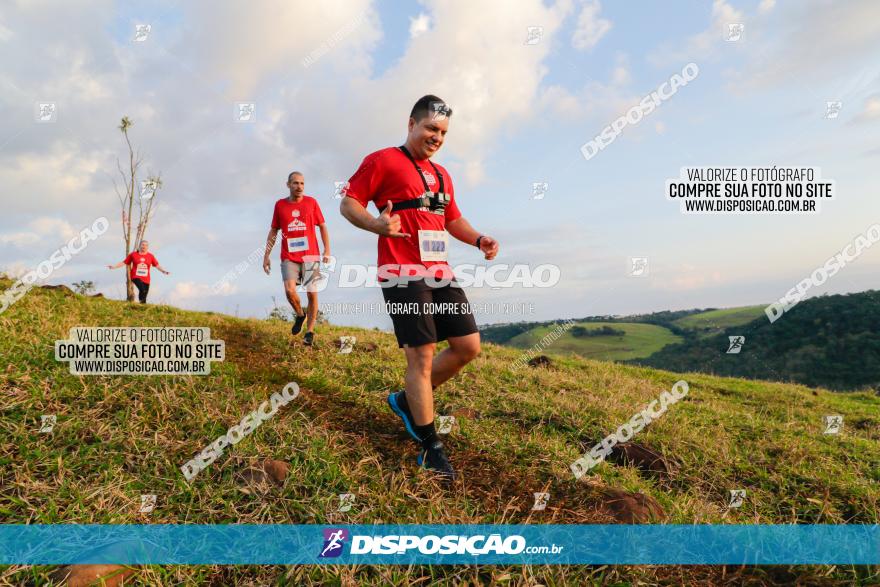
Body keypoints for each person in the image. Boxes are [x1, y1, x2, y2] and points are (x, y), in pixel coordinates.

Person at [340, 94, 499, 481]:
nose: (436, 137)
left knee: (467, 346)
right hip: (401, 273)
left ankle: (405, 402)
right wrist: (376, 225)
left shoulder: (444, 174)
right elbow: (349, 204)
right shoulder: (381, 160)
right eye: (430, 128)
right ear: (411, 124)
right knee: (422, 357)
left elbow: (452, 219)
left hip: (440, 273)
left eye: (443, 132)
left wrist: (479, 240)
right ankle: (430, 447)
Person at [263, 171, 331, 346]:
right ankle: (300, 315)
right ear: (288, 185)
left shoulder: (312, 203)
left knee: (311, 292)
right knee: (289, 291)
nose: (299, 186)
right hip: (289, 256)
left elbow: (322, 226)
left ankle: (309, 331)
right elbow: (273, 231)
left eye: (302, 183)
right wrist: (266, 255)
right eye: (295, 183)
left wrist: (327, 250)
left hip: (310, 255)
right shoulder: (280, 205)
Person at [107, 240, 170, 304]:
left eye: (146, 245)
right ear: (139, 246)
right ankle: (141, 304)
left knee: (144, 294)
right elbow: (124, 262)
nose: (144, 246)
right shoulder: (133, 254)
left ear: (147, 247)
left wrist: (163, 271)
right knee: (142, 290)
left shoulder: (150, 256)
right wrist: (114, 267)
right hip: (135, 277)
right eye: (142, 244)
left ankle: (142, 307)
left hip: (146, 279)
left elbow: (157, 265)